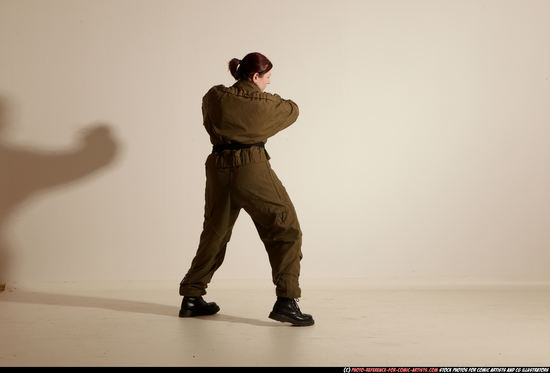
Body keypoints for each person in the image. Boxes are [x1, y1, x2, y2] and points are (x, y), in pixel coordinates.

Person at [178, 52, 314, 326]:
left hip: (217, 167)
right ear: (255, 76)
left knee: (215, 232)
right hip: (251, 167)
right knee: (284, 228)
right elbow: (293, 109)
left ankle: (192, 297)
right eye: (267, 78)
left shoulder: (214, 97)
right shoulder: (265, 104)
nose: (268, 84)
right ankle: (287, 300)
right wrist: (265, 99)